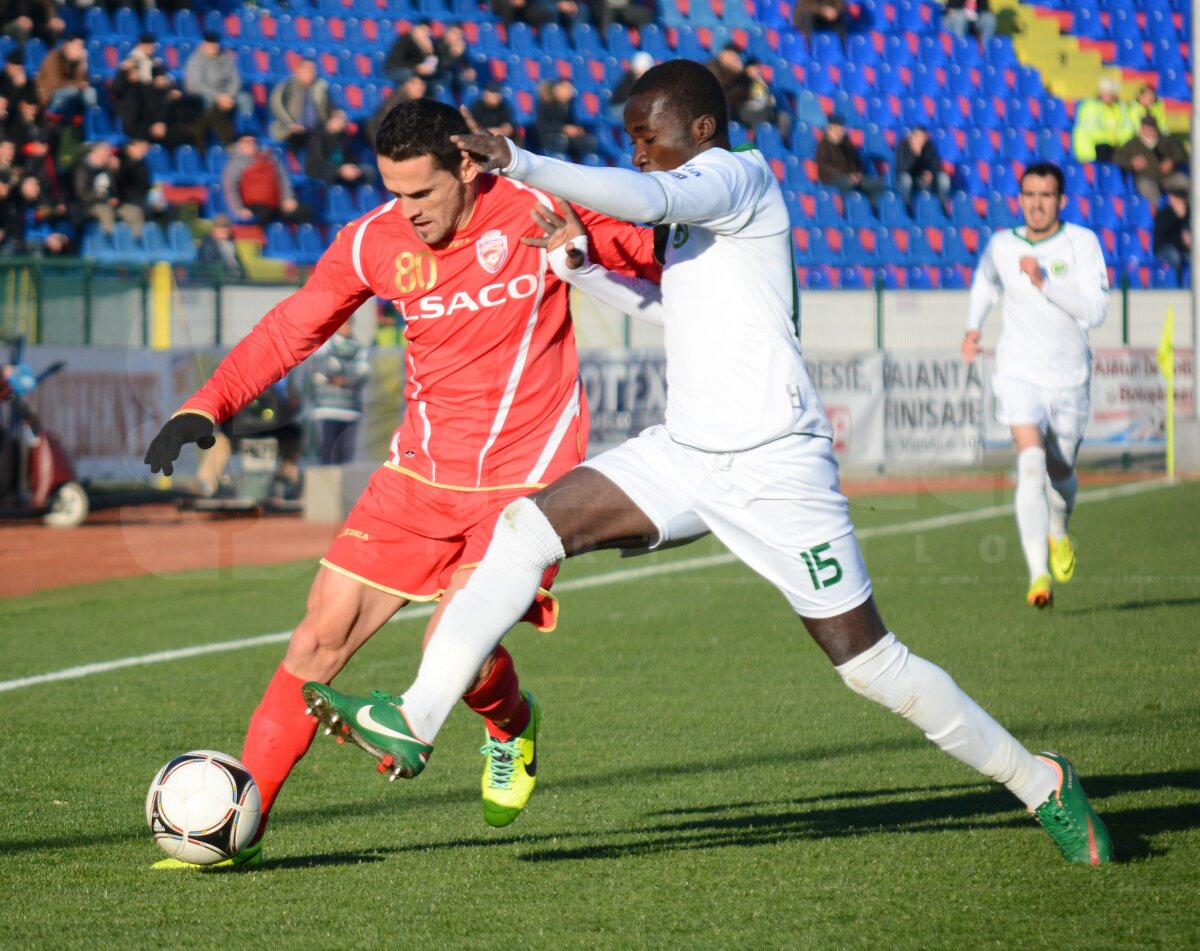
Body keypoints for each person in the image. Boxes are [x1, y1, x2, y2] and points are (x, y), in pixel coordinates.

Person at [303, 61, 1114, 867]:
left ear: (700, 129)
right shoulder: (696, 218)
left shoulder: (739, 177)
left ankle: (1038, 778)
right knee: (525, 528)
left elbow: (645, 196)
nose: (639, 152)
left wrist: (521, 162)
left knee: (870, 665)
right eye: (630, 140)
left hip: (775, 465)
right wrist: (583, 268)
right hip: (686, 453)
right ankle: (415, 716)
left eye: (647, 136)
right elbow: (671, 308)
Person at [142, 98, 660, 866]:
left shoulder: (543, 205)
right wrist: (206, 404)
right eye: (394, 192)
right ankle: (240, 825)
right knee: (317, 636)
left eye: (422, 192)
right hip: (417, 477)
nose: (408, 210)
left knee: (454, 648)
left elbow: (661, 253)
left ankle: (512, 726)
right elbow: (292, 327)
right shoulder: (372, 240)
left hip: (527, 482)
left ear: (467, 165)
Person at [961, 162, 1108, 608]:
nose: (1037, 204)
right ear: (1019, 198)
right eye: (1029, 195)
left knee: (1060, 471)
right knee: (1029, 461)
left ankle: (1058, 530)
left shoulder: (1081, 242)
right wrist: (973, 326)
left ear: (1061, 201)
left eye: (1046, 195)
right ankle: (1038, 575)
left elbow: (1096, 311)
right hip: (1019, 373)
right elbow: (985, 283)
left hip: (1069, 378)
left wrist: (1045, 284)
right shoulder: (1003, 245)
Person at [309, 320, 370, 465]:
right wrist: (335, 376)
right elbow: (319, 370)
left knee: (346, 455)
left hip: (351, 409)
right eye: (343, 323)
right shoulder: (325, 346)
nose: (346, 327)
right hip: (327, 409)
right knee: (327, 452)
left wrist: (345, 380)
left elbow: (363, 373)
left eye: (349, 323)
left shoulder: (359, 349)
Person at [221, 133, 312, 226]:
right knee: (264, 215)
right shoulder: (234, 164)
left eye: (253, 141)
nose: (251, 144)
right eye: (246, 142)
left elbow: (283, 178)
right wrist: (239, 209)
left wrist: (287, 198)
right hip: (255, 205)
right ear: (239, 144)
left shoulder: (269, 157)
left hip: (277, 202)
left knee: (304, 212)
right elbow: (230, 187)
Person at [184, 30, 251, 146]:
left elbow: (236, 80)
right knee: (209, 102)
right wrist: (218, 97)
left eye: (215, 45)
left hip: (227, 94)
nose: (214, 48)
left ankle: (246, 133)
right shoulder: (195, 60)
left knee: (245, 98)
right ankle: (219, 136)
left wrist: (229, 95)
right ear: (204, 45)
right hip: (206, 94)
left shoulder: (227, 57)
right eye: (210, 45)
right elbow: (195, 84)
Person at [71, 139, 144, 236]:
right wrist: (103, 197)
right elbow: (82, 194)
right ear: (97, 152)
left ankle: (135, 240)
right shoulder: (82, 168)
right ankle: (109, 241)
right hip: (88, 206)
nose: (110, 155)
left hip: (110, 203)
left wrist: (116, 171)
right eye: (107, 152)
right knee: (106, 212)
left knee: (135, 212)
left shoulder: (107, 168)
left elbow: (117, 188)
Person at [1114, 115, 1189, 205]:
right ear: (1141, 128)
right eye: (1146, 127)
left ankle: (1191, 209)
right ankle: (1160, 211)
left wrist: (1171, 162)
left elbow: (1181, 153)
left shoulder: (1165, 140)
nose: (1149, 130)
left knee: (1186, 182)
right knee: (1149, 192)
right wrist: (1132, 162)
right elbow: (1117, 158)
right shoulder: (1132, 144)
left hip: (1168, 177)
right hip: (1146, 178)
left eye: (1151, 128)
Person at [816, 112, 885, 208]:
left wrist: (857, 173)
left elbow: (856, 161)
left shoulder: (846, 142)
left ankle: (871, 208)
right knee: (848, 183)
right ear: (832, 128)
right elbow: (826, 168)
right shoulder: (823, 146)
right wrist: (847, 176)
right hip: (833, 179)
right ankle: (849, 209)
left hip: (852, 176)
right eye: (840, 127)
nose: (843, 129)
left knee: (879, 183)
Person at [269, 58, 331, 151]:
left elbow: (328, 107)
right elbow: (276, 103)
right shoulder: (288, 85)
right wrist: (290, 123)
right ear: (298, 70)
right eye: (307, 69)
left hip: (314, 131)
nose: (310, 72)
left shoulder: (319, 86)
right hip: (290, 130)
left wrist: (333, 118)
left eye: (313, 69)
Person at [304, 108, 374, 189]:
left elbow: (350, 155)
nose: (345, 123)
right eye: (343, 120)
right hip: (323, 169)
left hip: (342, 168)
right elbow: (317, 160)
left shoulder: (343, 136)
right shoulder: (317, 136)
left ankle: (365, 195)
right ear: (332, 120)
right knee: (330, 173)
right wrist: (339, 170)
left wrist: (352, 167)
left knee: (369, 171)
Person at [1072, 76, 1135, 164]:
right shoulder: (1090, 106)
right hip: (1092, 149)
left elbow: (1127, 130)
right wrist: (1114, 141)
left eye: (1111, 92)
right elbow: (1093, 132)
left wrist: (1120, 143)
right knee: (1104, 148)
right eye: (1105, 92)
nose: (1108, 95)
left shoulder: (1122, 108)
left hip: (1114, 146)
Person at [34, 34, 96, 117]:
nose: (79, 49)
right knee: (71, 90)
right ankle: (53, 117)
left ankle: (89, 119)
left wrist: (82, 64)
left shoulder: (76, 61)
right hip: (49, 94)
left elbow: (82, 82)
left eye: (81, 47)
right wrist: (77, 85)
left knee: (89, 91)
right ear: (67, 45)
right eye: (77, 46)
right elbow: (54, 83)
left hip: (71, 90)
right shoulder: (53, 57)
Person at [535, 78, 597, 160]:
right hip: (549, 137)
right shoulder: (545, 102)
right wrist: (563, 129)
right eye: (567, 88)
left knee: (590, 141)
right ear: (558, 89)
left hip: (567, 136)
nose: (570, 91)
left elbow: (572, 120)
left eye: (571, 88)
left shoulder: (569, 103)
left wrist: (577, 130)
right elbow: (541, 125)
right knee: (562, 142)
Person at [895, 125, 951, 213]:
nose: (921, 140)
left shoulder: (929, 146)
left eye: (923, 138)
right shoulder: (903, 145)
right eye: (919, 137)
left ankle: (941, 207)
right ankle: (908, 208)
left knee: (944, 179)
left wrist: (931, 173)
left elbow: (935, 163)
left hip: (923, 176)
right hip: (908, 176)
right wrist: (915, 153)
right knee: (906, 180)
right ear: (912, 137)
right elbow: (903, 168)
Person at [1153, 186, 1190, 283]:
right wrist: (1177, 216)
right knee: (1175, 257)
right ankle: (1178, 285)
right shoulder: (1164, 214)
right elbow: (1166, 235)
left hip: (1181, 248)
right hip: (1163, 248)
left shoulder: (1188, 214)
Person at [197, 212, 244, 280]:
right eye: (222, 230)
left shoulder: (230, 244)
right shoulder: (207, 246)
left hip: (235, 280)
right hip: (217, 280)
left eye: (226, 231)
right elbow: (210, 266)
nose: (224, 233)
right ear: (214, 230)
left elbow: (240, 265)